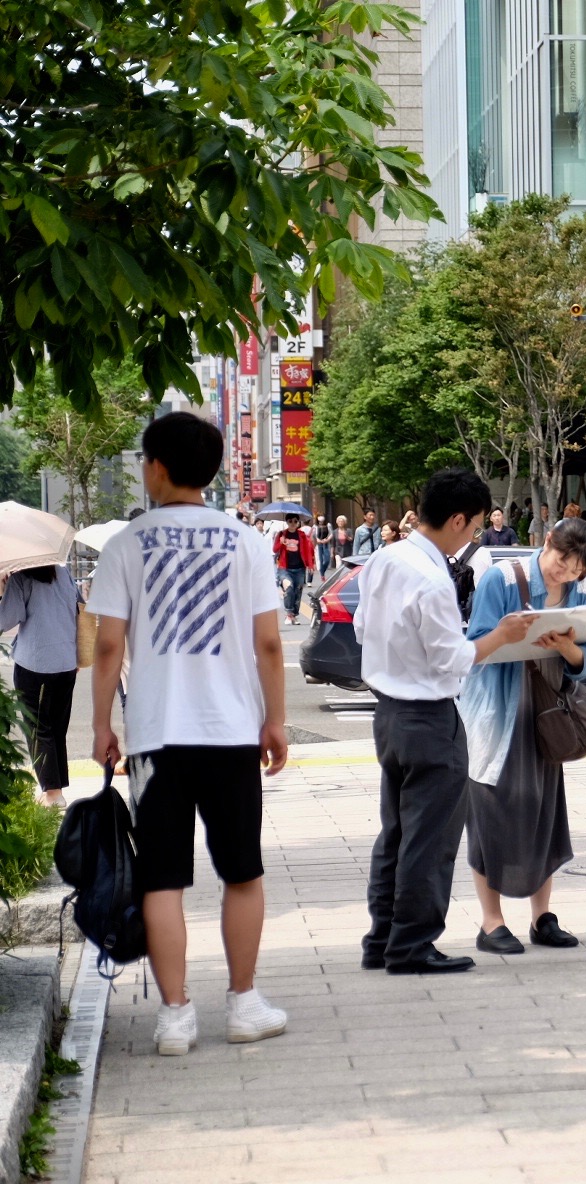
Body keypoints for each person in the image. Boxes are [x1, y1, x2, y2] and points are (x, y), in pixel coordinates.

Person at [88, 412, 291, 1056]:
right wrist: (275, 718)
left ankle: (176, 1015)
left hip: (156, 735)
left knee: (161, 879)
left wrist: (101, 724)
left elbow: (108, 647)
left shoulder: (125, 546)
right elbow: (267, 643)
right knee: (243, 873)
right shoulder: (247, 541)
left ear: (155, 467)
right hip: (231, 733)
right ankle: (243, 1003)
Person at [355, 468, 529, 976]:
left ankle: (382, 939)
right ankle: (411, 946)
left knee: (396, 834)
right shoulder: (431, 577)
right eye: (474, 526)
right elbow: (451, 657)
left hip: (388, 713)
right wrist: (502, 634)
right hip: (429, 717)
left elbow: (365, 626)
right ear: (457, 520)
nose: (475, 535)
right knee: (429, 840)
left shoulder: (385, 558)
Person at [459, 518, 586, 956]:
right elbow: (474, 646)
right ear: (546, 544)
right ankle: (491, 921)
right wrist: (507, 635)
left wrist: (567, 648)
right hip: (496, 712)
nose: (566, 573)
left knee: (544, 812)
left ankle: (543, 917)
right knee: (491, 813)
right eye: (562, 561)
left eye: (577, 568)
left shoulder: (579, 593)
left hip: (546, 715)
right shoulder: (500, 579)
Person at [0, 566, 79, 808]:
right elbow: (78, 607)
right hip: (66, 660)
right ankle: (55, 789)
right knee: (56, 728)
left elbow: (6, 619)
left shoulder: (22, 578)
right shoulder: (64, 572)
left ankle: (53, 793)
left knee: (37, 728)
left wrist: (3, 590)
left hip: (36, 662)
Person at [272, 516, 315, 624]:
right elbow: (274, 549)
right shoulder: (281, 534)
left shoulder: (301, 535)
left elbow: (307, 550)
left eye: (295, 521)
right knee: (289, 588)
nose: (292, 523)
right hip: (285, 568)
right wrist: (281, 542)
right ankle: (289, 614)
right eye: (290, 521)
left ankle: (294, 615)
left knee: (297, 592)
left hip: (300, 568)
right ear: (286, 522)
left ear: (298, 522)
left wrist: (310, 565)